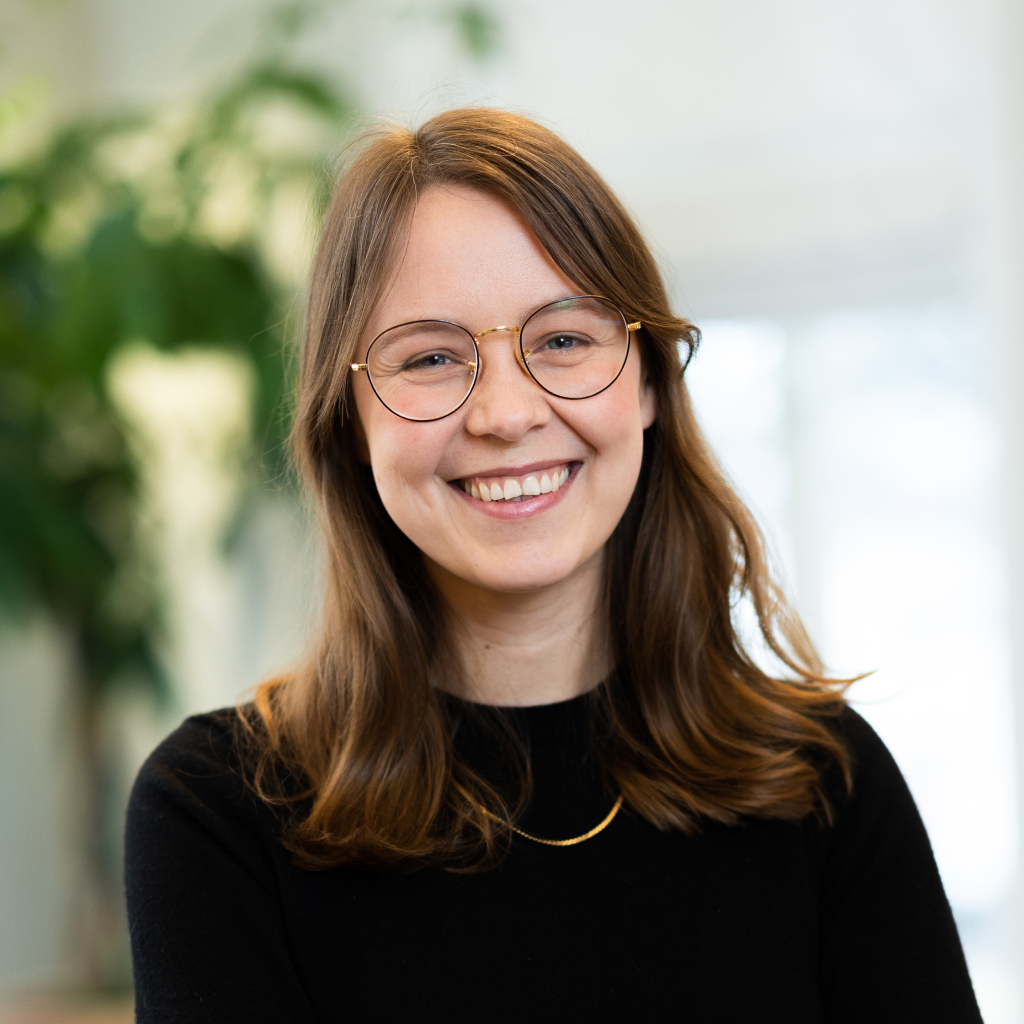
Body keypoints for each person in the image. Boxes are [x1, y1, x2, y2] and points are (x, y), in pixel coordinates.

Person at [125, 108, 982, 1023]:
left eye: (564, 340)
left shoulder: (824, 783)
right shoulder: (218, 813)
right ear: (352, 424)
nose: (506, 414)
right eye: (430, 357)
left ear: (648, 382)